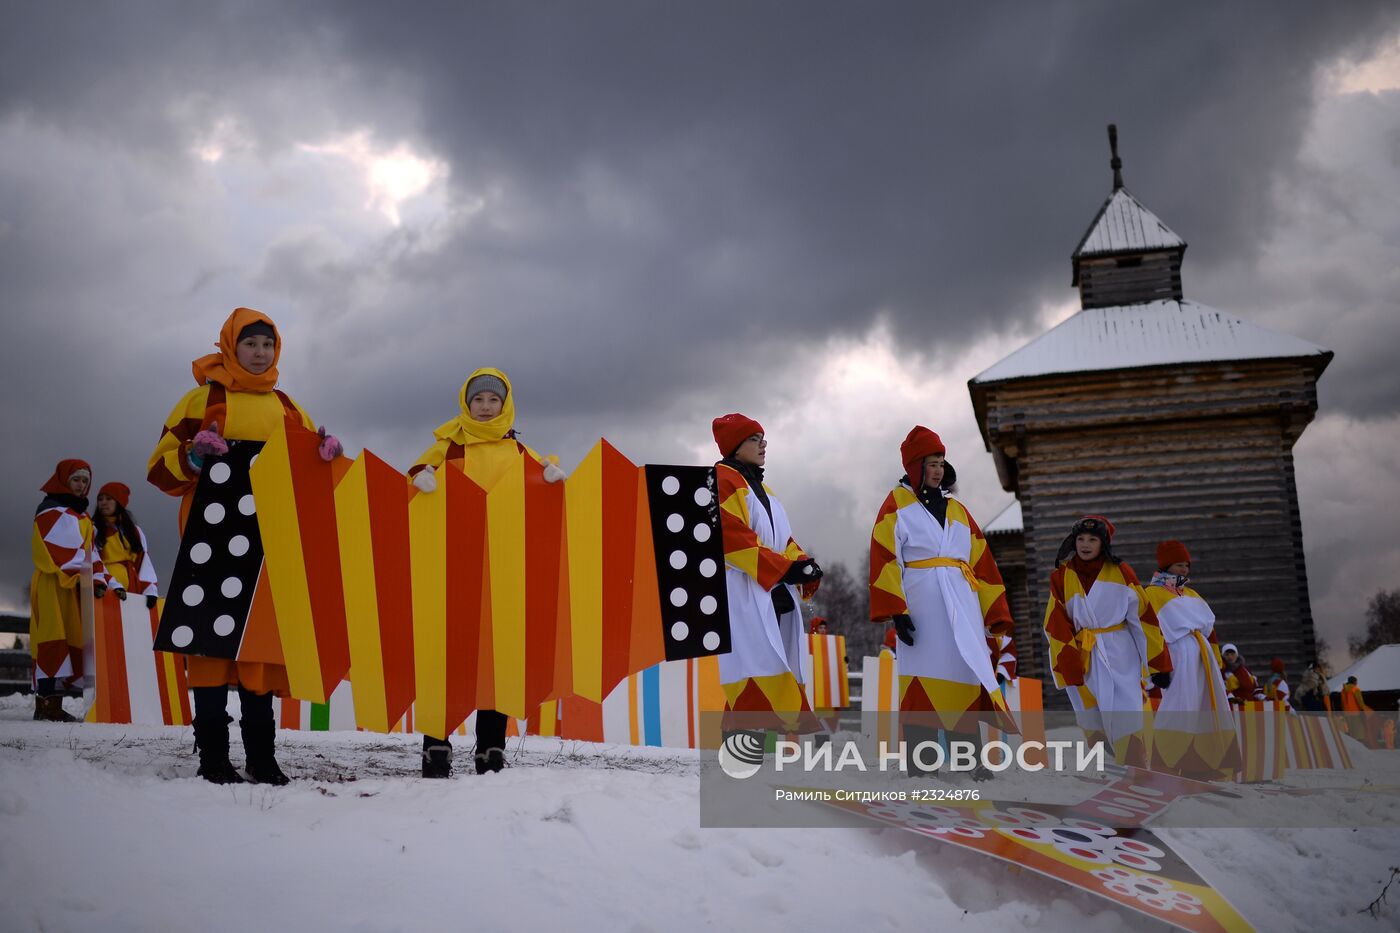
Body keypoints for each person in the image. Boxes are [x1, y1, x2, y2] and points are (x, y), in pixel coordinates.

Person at [148, 308, 341, 784]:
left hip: (268, 546)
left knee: (259, 650)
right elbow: (159, 470)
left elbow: (308, 477)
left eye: (267, 345)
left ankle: (262, 757)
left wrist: (324, 457)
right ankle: (213, 757)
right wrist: (193, 456)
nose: (260, 353)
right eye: (250, 344)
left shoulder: (288, 408)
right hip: (208, 544)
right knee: (208, 647)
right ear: (231, 347)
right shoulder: (200, 400)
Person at [407, 367, 564, 777]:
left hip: (502, 569)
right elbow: (417, 473)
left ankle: (491, 748)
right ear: (466, 403)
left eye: (494, 399)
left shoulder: (517, 450)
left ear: (505, 405)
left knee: (498, 656)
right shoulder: (449, 447)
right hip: (452, 567)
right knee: (446, 655)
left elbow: (541, 475)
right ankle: (435, 747)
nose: (486, 406)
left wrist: (549, 477)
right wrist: (424, 478)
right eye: (478, 399)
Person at [869, 427, 1016, 779]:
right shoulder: (896, 504)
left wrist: (994, 610)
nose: (938, 470)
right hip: (922, 608)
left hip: (962, 606)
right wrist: (897, 611)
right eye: (931, 463)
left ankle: (969, 760)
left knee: (963, 675)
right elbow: (884, 557)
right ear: (915, 465)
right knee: (921, 682)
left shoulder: (957, 509)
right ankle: (922, 765)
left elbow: (982, 562)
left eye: (940, 463)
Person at [711, 413, 823, 740]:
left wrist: (803, 564)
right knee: (752, 673)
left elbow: (783, 540)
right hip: (742, 590)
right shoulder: (722, 479)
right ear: (735, 446)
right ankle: (741, 760)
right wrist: (786, 569)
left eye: (763, 438)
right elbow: (731, 538)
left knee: (761, 673)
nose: (763, 445)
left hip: (770, 591)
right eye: (754, 439)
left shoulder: (763, 488)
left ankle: (744, 761)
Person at [1042, 515, 1170, 767]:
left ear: (1103, 543)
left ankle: (1134, 763)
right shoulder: (1061, 576)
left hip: (1119, 652)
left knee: (1126, 710)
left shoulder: (1121, 572)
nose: (1085, 544)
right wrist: (1067, 660)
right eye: (1080, 539)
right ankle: (1106, 765)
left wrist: (1158, 664)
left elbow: (1143, 619)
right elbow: (1055, 622)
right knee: (1089, 713)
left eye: (1092, 539)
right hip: (1081, 654)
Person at [30, 459, 119, 721]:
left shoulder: (81, 514)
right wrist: (87, 577)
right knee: (52, 637)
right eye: (76, 480)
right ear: (64, 481)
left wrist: (105, 580)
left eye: (85, 481)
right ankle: (46, 704)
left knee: (70, 638)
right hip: (53, 582)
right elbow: (60, 551)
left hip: (74, 584)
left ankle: (51, 703)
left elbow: (90, 554)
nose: (81, 485)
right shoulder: (50, 510)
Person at [1142, 540, 1239, 780]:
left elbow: (1210, 631)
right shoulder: (1152, 593)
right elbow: (1150, 632)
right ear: (1165, 566)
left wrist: (1216, 662)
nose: (1184, 569)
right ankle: (1165, 764)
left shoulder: (1192, 594)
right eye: (1178, 565)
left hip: (1202, 658)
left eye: (1186, 565)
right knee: (1179, 706)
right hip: (1176, 656)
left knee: (1206, 706)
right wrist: (1157, 666)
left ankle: (1201, 765)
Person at [93, 482, 160, 609]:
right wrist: (109, 583)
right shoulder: (93, 529)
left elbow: (144, 563)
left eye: (108, 499)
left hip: (133, 589)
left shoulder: (135, 531)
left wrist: (150, 590)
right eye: (100, 499)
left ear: (119, 502)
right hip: (106, 590)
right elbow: (93, 562)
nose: (103, 503)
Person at [1220, 643, 1265, 707]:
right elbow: (1221, 688)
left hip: (1249, 705)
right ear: (1222, 656)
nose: (1230, 657)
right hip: (1232, 707)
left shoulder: (1245, 670)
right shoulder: (1221, 671)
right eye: (1227, 654)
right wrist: (1231, 698)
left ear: (1237, 655)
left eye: (1232, 654)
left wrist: (1261, 696)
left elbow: (1254, 686)